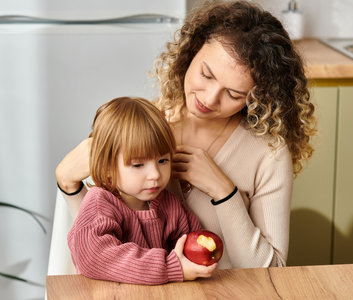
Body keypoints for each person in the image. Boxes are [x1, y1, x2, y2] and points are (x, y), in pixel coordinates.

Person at [56, 0, 316, 269]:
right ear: (191, 52)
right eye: (206, 75)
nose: (210, 98)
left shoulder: (268, 154)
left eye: (233, 94)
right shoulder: (145, 126)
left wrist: (225, 192)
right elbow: (100, 238)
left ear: (257, 98)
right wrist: (69, 187)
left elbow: (272, 270)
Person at [67, 97, 216, 285]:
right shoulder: (100, 203)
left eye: (163, 161)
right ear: (106, 167)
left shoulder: (169, 204)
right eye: (138, 165)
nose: (155, 174)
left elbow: (190, 246)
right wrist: (170, 267)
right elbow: (92, 257)